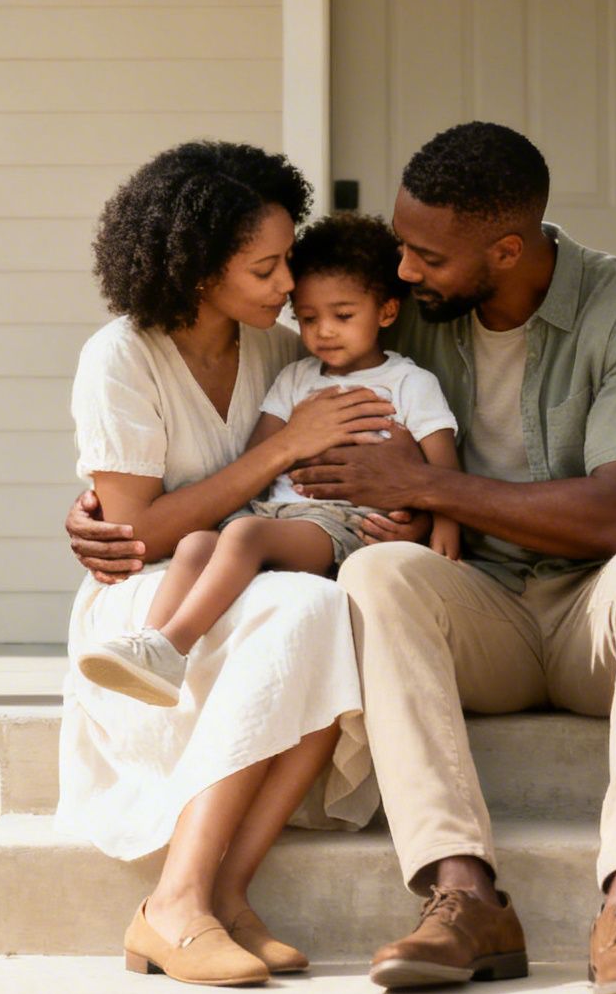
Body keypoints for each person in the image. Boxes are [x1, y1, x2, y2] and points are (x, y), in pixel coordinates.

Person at [67, 122, 616, 994]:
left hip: (592, 612)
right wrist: (109, 518)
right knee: (362, 583)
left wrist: (427, 489)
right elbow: (193, 467)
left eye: (424, 258)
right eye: (397, 260)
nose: (403, 275)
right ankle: (462, 895)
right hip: (463, 607)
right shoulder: (389, 312)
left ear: (504, 250)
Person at [60, 140, 393, 988]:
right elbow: (140, 536)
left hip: (256, 580)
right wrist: (282, 447)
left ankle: (228, 897)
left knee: (323, 612)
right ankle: (173, 903)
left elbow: (325, 475)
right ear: (200, 270)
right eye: (266, 268)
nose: (290, 288)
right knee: (303, 613)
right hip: (152, 603)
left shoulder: (281, 354)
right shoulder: (121, 359)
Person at [76, 212, 462, 708]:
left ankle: (175, 646)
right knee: (197, 542)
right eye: (307, 318)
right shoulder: (295, 375)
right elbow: (258, 457)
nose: (323, 331)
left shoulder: (411, 383)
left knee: (242, 535)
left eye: (342, 317)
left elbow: (440, 464)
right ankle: (149, 646)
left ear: (386, 312)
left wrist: (442, 522)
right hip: (271, 514)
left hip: (341, 523)